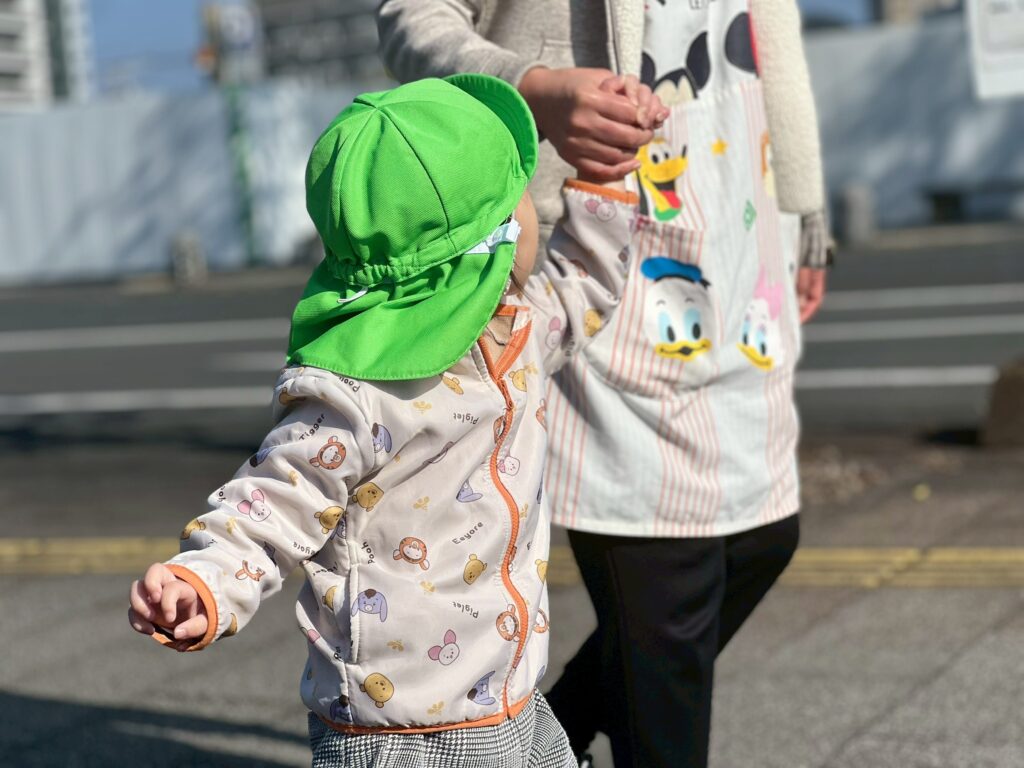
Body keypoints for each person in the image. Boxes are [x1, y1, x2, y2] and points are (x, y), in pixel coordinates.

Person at [127, 73, 661, 767]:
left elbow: (584, 283)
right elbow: (273, 501)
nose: (538, 209)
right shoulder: (356, 391)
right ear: (493, 246)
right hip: (403, 732)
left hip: (511, 691)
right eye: (523, 196)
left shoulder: (517, 331)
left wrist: (606, 180)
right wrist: (205, 581)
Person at [378, 2, 832, 767]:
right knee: (667, 591)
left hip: (742, 219)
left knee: (761, 538)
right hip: (592, 238)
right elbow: (410, 16)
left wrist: (804, 206)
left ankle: (545, 736)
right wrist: (531, 87)